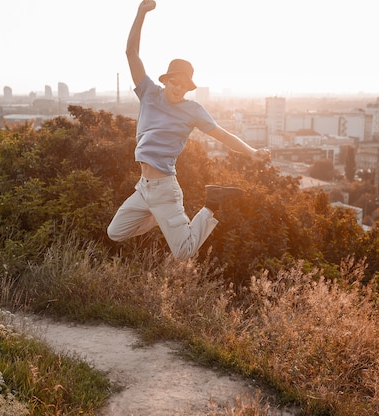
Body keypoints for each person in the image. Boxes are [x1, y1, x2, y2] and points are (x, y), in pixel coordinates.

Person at [107, 0, 270, 260]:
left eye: (183, 85)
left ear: (187, 88)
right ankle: (159, 217)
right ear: (166, 80)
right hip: (143, 188)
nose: (178, 88)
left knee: (183, 253)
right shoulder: (149, 92)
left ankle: (211, 204)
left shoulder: (192, 110)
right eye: (175, 82)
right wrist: (141, 13)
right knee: (115, 232)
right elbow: (131, 53)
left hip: (164, 189)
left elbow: (223, 135)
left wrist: (251, 152)